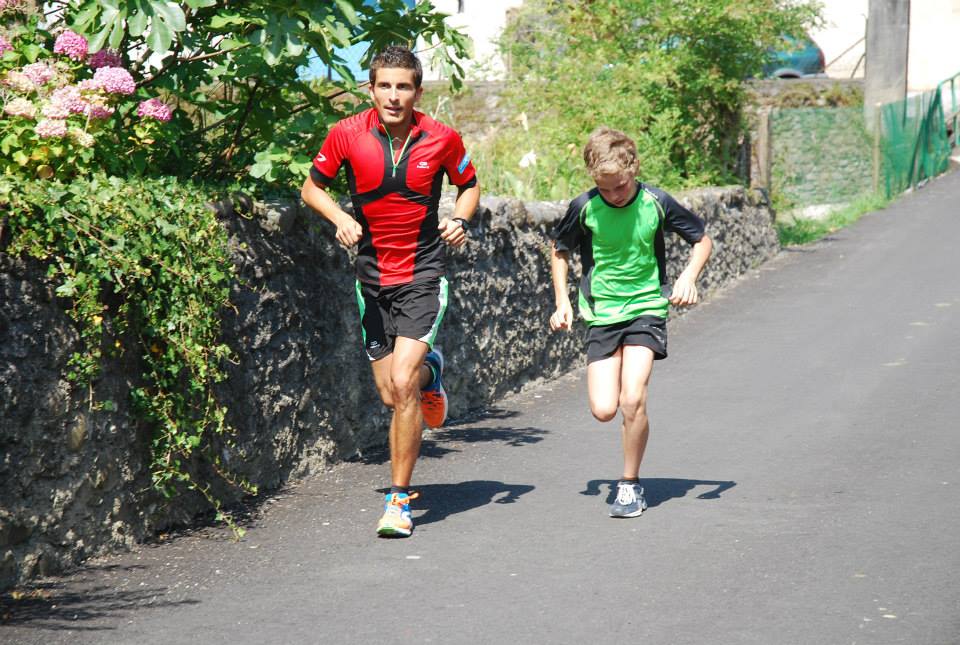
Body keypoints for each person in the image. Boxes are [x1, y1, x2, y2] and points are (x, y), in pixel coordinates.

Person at [301, 46, 480, 537]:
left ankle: (398, 501)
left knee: (401, 384)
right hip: (372, 277)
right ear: (371, 89)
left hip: (423, 273)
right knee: (390, 392)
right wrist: (339, 217)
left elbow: (469, 184)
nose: (394, 95)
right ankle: (430, 373)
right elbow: (312, 188)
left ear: (418, 92)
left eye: (404, 87)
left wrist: (460, 219)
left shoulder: (442, 138)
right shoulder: (346, 133)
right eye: (385, 86)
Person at [549, 127, 712, 518]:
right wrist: (562, 301)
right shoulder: (584, 207)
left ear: (634, 168)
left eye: (620, 186)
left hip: (645, 307)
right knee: (604, 409)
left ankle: (629, 484)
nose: (614, 196)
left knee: (632, 398)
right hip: (602, 312)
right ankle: (627, 475)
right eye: (604, 189)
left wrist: (688, 277)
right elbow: (560, 250)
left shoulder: (656, 202)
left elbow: (702, 240)